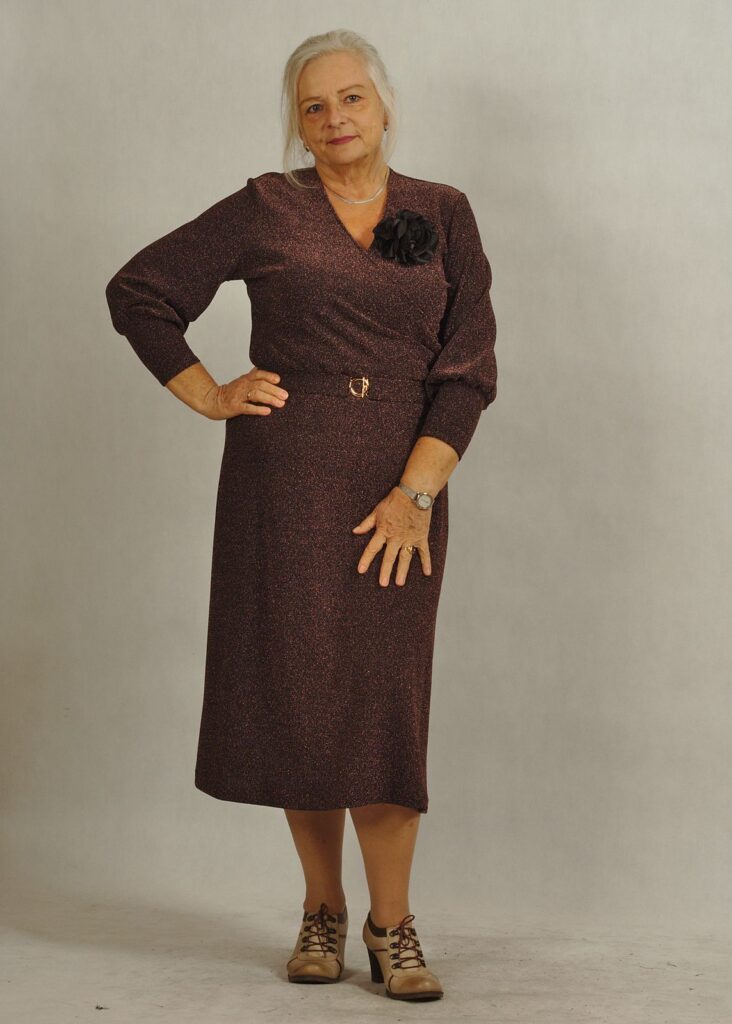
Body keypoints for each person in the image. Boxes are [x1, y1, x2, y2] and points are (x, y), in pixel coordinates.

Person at [105, 28, 497, 1002]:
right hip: (283, 483)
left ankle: (392, 924)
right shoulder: (267, 207)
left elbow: (467, 368)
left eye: (351, 97)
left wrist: (416, 494)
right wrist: (207, 391)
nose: (334, 118)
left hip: (400, 484)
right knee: (302, 694)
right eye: (313, 105)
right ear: (298, 120)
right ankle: (322, 908)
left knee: (383, 700)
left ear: (384, 103)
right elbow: (140, 291)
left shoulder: (442, 210)